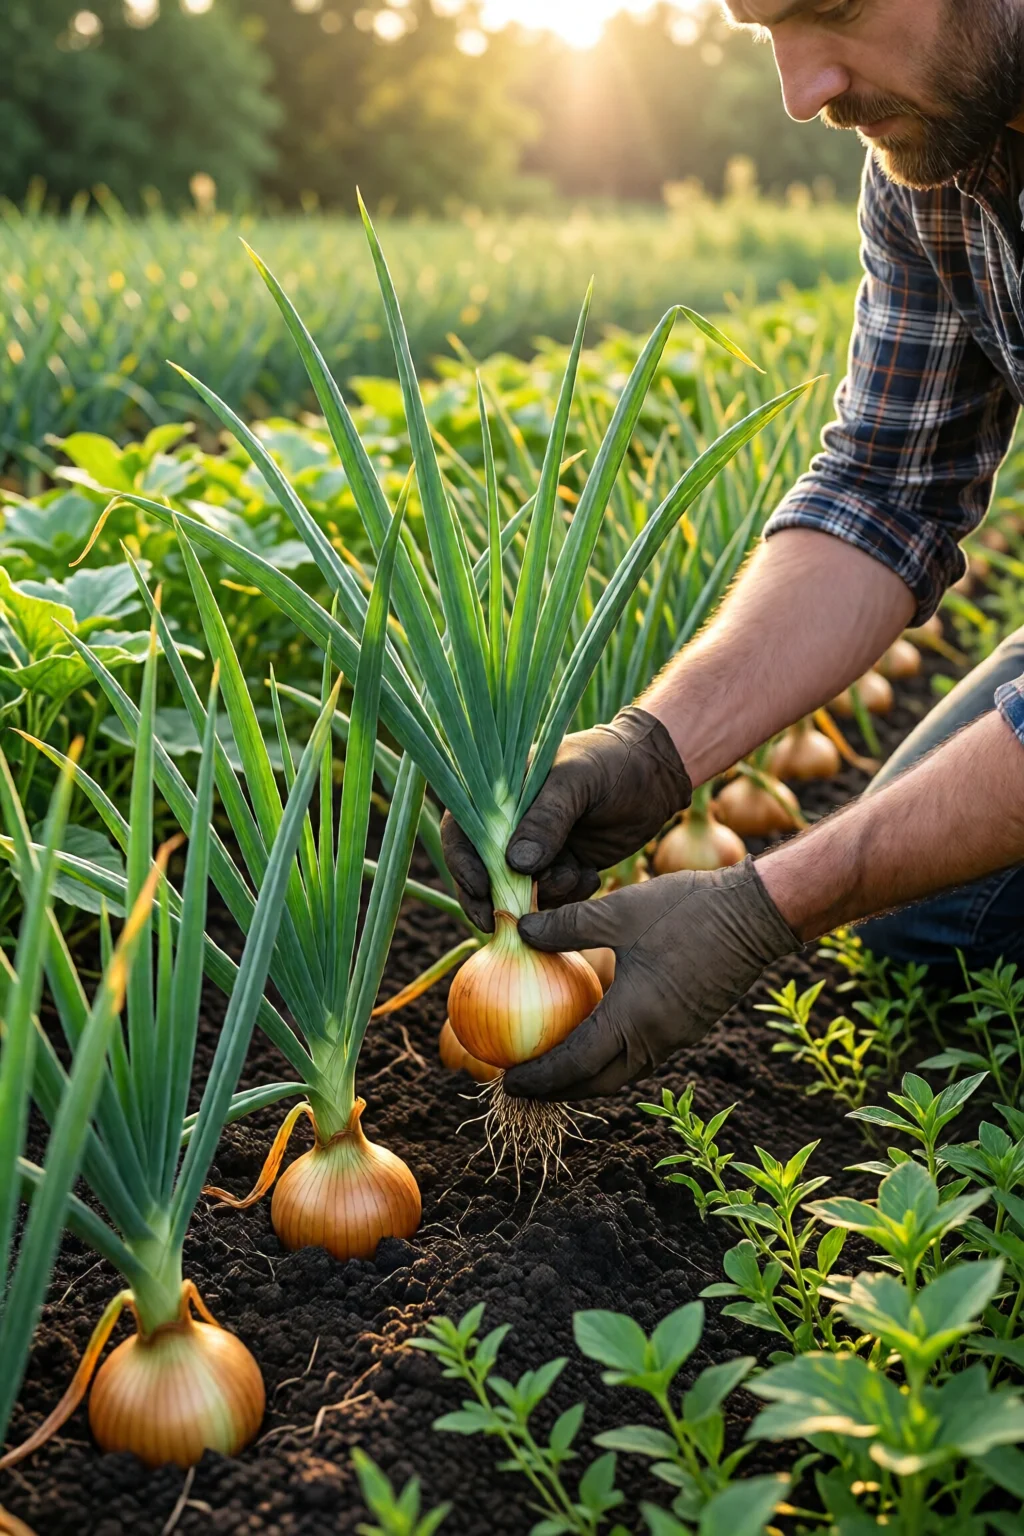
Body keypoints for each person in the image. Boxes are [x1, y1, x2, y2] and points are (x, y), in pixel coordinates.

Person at [442, 0, 1024, 1104]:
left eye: (833, 9)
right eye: (765, 28)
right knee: (928, 919)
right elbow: (883, 492)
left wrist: (771, 904)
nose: (800, 91)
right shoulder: (935, 163)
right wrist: (654, 749)